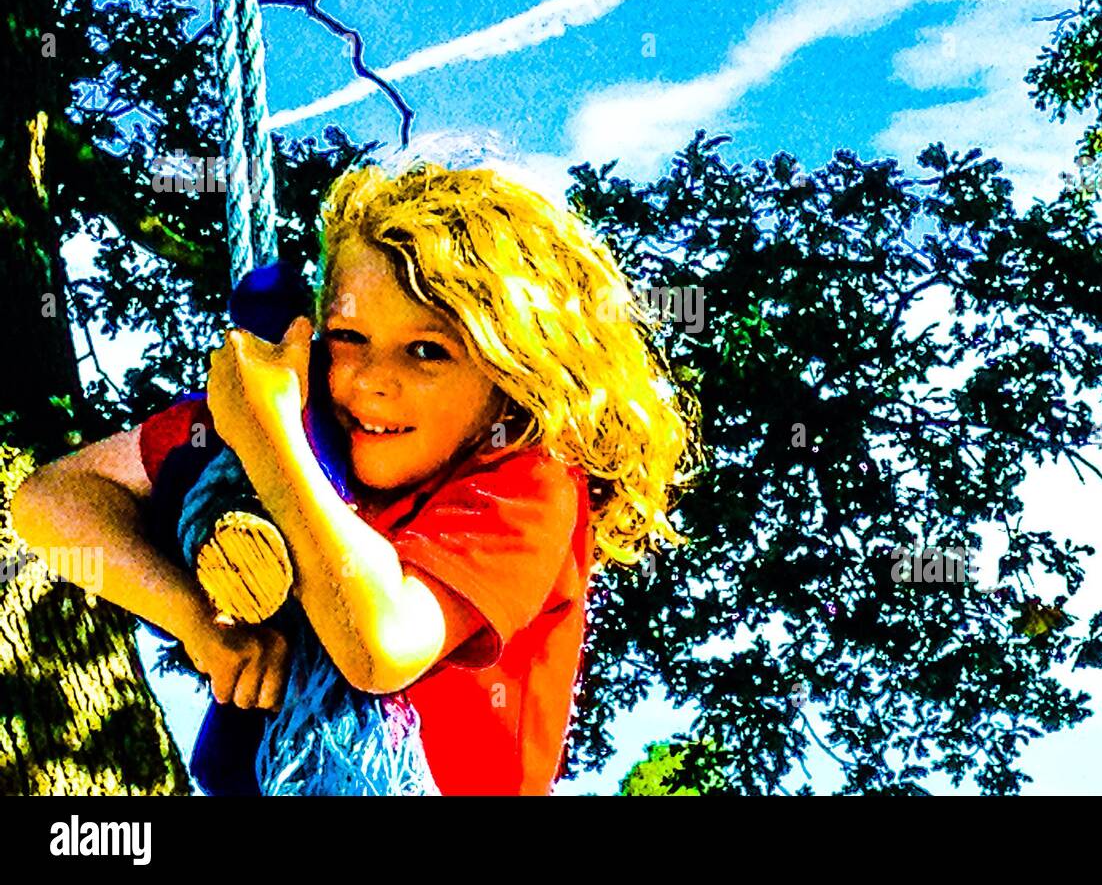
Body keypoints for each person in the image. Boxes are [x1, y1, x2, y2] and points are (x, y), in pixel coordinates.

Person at [12, 156, 705, 795]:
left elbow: (380, 647)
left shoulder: (525, 477)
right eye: (349, 339)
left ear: (510, 376)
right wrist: (195, 620)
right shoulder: (302, 419)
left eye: (428, 351)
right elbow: (52, 499)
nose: (373, 382)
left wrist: (275, 446)